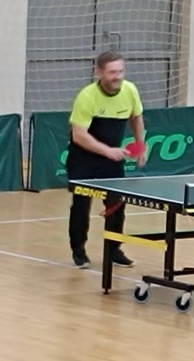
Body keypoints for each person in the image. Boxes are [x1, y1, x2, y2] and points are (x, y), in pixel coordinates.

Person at [66, 51, 146, 269]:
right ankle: (79, 250)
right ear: (99, 72)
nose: (117, 76)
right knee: (81, 205)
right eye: (112, 72)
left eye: (120, 71)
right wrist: (107, 151)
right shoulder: (87, 96)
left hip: (111, 158)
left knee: (117, 205)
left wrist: (141, 144)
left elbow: (136, 117)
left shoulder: (130, 90)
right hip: (83, 159)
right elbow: (79, 135)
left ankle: (114, 250)